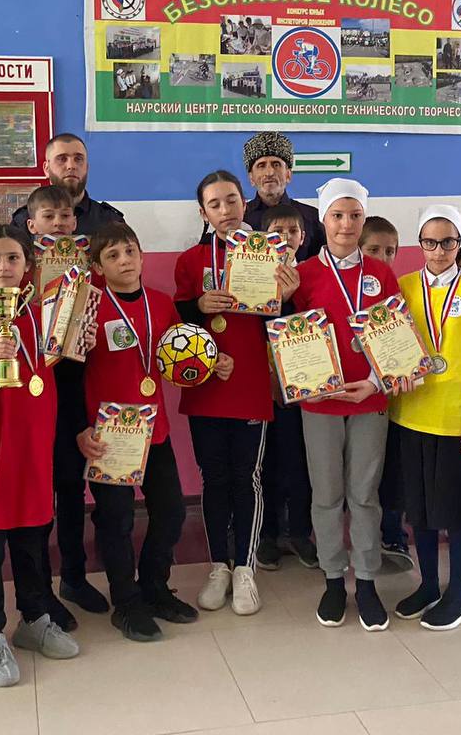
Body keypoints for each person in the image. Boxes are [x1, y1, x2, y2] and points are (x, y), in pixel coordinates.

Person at [0, 226, 82, 687]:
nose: (4, 267)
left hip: (37, 446)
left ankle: (34, 618)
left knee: (34, 540)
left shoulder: (47, 314)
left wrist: (79, 332)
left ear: (28, 264)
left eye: (12, 258)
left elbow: (68, 363)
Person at [78, 222, 196, 642]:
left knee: (172, 510)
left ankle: (154, 586)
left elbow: (180, 358)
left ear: (142, 256)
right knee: (117, 519)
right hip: (109, 433)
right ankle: (125, 602)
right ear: (97, 267)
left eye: (130, 251)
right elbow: (69, 376)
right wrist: (80, 428)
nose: (124, 260)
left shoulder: (161, 304)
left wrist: (208, 363)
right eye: (112, 255)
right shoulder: (88, 309)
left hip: (154, 428)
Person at [174, 171, 286, 616]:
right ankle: (218, 565)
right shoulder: (190, 260)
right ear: (203, 212)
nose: (225, 210)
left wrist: (287, 294)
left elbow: (281, 322)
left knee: (247, 478)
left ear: (245, 203)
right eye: (215, 204)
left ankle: (245, 568)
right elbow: (177, 322)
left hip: (250, 382)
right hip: (205, 383)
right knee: (213, 477)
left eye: (232, 200)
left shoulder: (269, 254)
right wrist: (198, 307)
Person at [293, 178, 398, 631]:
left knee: (365, 496)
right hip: (320, 404)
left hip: (369, 401)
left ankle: (368, 581)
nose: (346, 224)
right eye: (338, 215)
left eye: (355, 215)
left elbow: (394, 339)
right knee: (326, 496)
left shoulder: (381, 273)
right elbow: (289, 338)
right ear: (323, 219)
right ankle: (334, 579)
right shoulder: (301, 275)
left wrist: (373, 383)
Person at [392, 205, 461, 631]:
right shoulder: (403, 287)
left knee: (458, 512)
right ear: (419, 243)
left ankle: (458, 594)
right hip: (411, 415)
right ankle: (428, 586)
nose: (439, 251)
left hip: (459, 420)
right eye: (430, 242)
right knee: (418, 511)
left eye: (449, 242)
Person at [22, 184, 109, 620]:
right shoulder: (19, 272)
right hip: (31, 397)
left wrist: (89, 334)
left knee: (72, 490)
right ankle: (39, 590)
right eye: (49, 217)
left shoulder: (87, 269)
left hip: (73, 393)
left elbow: (97, 325)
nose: (58, 224)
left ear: (75, 221)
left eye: (65, 216)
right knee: (39, 496)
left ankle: (74, 577)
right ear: (31, 224)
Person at [253, 205, 317, 572]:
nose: (286, 237)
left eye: (293, 231)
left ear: (303, 237)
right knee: (267, 463)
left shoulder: (310, 274)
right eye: (278, 231)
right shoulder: (251, 277)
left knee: (299, 461)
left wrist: (294, 296)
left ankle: (300, 532)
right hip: (262, 384)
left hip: (303, 384)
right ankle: (268, 534)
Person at [358, 216, 412, 570]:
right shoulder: (345, 288)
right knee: (363, 475)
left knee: (393, 469)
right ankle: (362, 540)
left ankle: (393, 534)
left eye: (390, 251)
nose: (383, 257)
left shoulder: (400, 291)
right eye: (374, 250)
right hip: (354, 399)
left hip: (395, 400)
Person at [199, 132, 325, 261]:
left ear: (288, 175)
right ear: (251, 178)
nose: (269, 172)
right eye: (261, 165)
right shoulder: (239, 218)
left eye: (276, 164)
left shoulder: (312, 218)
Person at [10, 134, 124, 235]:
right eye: (62, 159)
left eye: (78, 159)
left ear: (87, 168)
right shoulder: (23, 221)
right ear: (46, 168)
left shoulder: (110, 221)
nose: (71, 166)